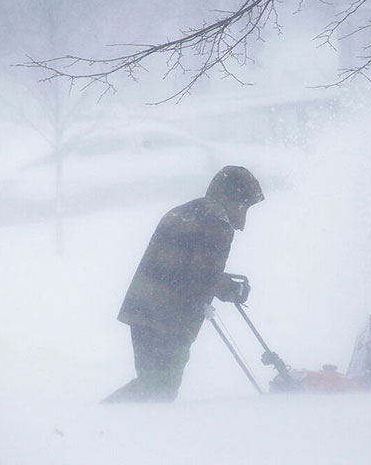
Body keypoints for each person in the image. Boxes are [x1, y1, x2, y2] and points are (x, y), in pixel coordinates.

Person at [101, 166, 264, 403]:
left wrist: (220, 283)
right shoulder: (217, 222)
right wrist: (232, 290)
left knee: (151, 383)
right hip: (171, 317)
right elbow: (202, 276)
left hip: (142, 308)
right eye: (246, 204)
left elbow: (186, 266)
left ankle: (118, 427)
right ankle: (101, 419)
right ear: (237, 198)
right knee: (160, 389)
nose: (244, 211)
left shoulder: (183, 211)